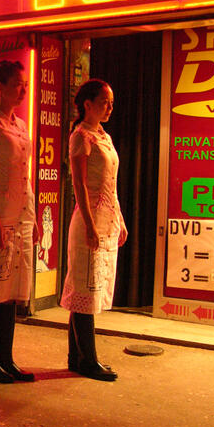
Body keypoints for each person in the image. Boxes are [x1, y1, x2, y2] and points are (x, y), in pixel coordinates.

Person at [0, 60, 39, 383]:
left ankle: (6, 358)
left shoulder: (22, 126)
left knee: (12, 291)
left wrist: (34, 215)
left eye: (24, 84)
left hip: (21, 216)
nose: (22, 89)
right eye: (16, 84)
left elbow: (25, 175)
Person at [61, 79, 127, 382]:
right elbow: (79, 185)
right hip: (89, 220)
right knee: (84, 289)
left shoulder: (104, 136)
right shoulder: (81, 136)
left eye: (111, 102)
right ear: (87, 104)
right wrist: (89, 224)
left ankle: (77, 357)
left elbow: (111, 185)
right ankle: (89, 360)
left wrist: (120, 220)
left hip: (106, 219)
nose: (109, 107)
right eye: (104, 101)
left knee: (89, 290)